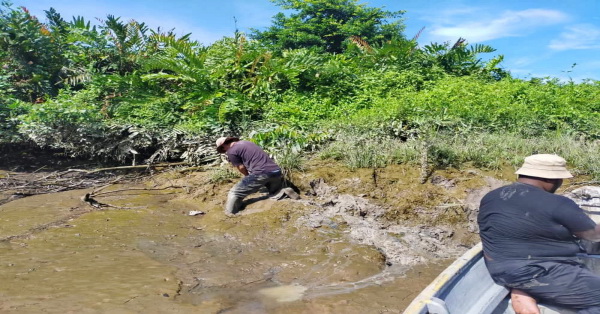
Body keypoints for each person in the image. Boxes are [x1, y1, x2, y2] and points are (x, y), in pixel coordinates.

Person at [478, 154, 600, 314]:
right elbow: (593, 236)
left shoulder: (491, 197)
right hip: (541, 271)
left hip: (501, 271)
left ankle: (524, 292)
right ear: (551, 180)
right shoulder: (557, 203)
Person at [215, 136, 286, 215]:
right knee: (274, 192)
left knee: (234, 193)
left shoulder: (231, 151)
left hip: (260, 173)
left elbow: (241, 167)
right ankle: (285, 192)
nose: (224, 151)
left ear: (223, 146)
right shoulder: (247, 142)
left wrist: (247, 176)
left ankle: (230, 213)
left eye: (223, 149)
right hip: (276, 171)